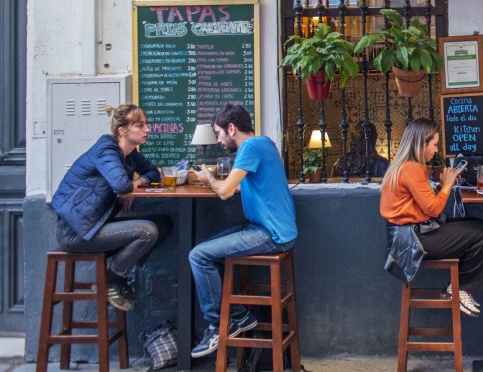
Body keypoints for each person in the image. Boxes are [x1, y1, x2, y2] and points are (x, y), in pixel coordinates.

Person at [189, 103, 298, 358]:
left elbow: (225, 192)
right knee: (206, 251)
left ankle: (220, 324)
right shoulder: (265, 143)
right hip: (267, 228)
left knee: (198, 256)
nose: (218, 139)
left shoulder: (249, 147)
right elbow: (251, 184)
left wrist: (209, 178)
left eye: (218, 133)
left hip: (271, 234)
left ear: (231, 128)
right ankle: (238, 315)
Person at [50, 104, 173, 312]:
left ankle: (119, 274)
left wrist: (135, 183)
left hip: (96, 225)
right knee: (147, 231)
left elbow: (154, 172)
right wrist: (128, 186)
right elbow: (120, 185)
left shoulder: (130, 155)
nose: (148, 129)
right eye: (140, 125)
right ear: (122, 131)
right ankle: (111, 281)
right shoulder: (106, 149)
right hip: (76, 232)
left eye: (146, 124)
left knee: (163, 223)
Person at [380, 118, 483, 315]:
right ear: (421, 143)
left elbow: (421, 205)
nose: (436, 150)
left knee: (475, 225)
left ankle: (458, 288)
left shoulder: (403, 166)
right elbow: (433, 210)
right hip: (413, 241)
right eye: (434, 144)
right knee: (481, 232)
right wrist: (448, 184)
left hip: (406, 238)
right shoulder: (412, 168)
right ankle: (458, 289)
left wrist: (441, 186)